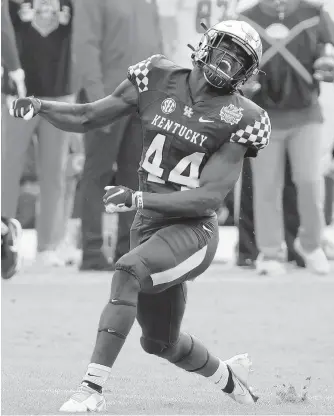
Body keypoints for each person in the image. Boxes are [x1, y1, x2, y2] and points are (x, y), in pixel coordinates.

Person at [11, 20, 271, 412]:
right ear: (207, 44)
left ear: (246, 73)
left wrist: (138, 200)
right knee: (159, 342)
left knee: (129, 269)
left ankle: (91, 389)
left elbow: (206, 200)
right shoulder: (157, 75)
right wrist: (41, 107)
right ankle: (230, 377)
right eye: (226, 50)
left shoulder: (242, 117)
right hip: (147, 225)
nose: (228, 62)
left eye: (239, 60)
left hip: (192, 232)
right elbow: (86, 117)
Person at [237, 0, 334, 275]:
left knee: (310, 183)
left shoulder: (315, 14)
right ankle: (270, 252)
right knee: (266, 187)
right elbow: (231, 62)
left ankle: (311, 245)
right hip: (262, 116)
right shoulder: (246, 18)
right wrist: (240, 82)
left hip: (306, 115)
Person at [73, 0, 163, 271]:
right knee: (96, 173)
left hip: (142, 100)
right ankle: (91, 251)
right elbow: (85, 46)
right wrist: (98, 102)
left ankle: (128, 250)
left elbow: (157, 50)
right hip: (106, 98)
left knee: (135, 176)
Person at [1, 0, 75, 267]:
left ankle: (49, 246)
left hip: (59, 90)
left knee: (54, 172)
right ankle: (4, 241)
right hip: (18, 93)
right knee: (9, 169)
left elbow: (84, 35)